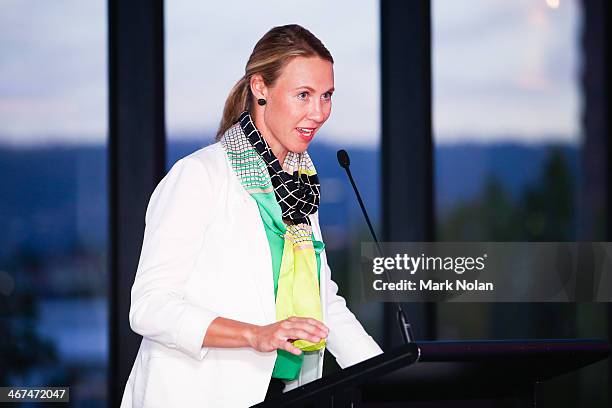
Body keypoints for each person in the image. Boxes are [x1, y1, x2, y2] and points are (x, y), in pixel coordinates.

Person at [120, 24, 383, 408]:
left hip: (279, 395)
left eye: (327, 96)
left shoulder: (299, 186)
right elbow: (149, 307)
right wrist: (254, 335)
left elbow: (323, 304)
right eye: (303, 95)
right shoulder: (200, 176)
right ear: (261, 88)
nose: (319, 112)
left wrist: (389, 377)